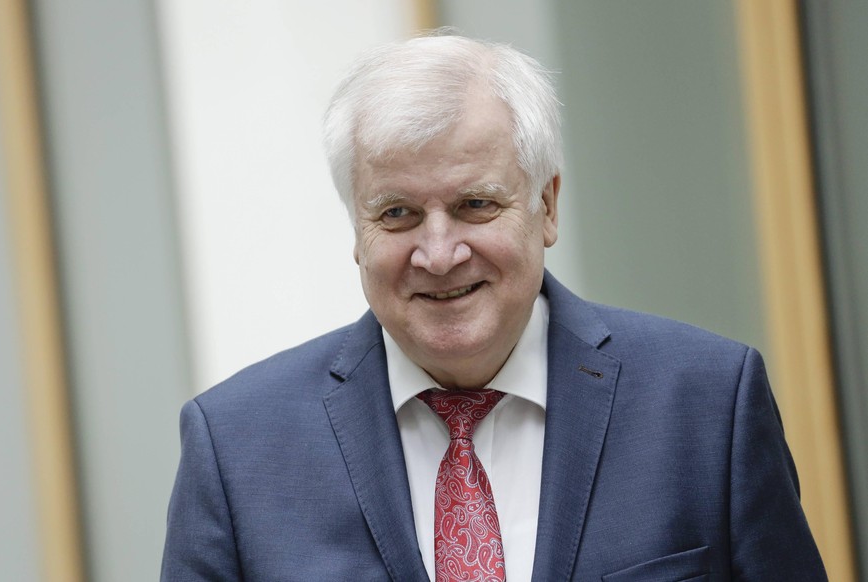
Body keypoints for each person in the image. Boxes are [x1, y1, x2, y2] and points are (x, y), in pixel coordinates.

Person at [161, 33, 827, 581]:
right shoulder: (236, 450)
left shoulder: (705, 404)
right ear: (355, 232)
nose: (439, 253)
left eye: (475, 205)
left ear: (547, 206)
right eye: (396, 214)